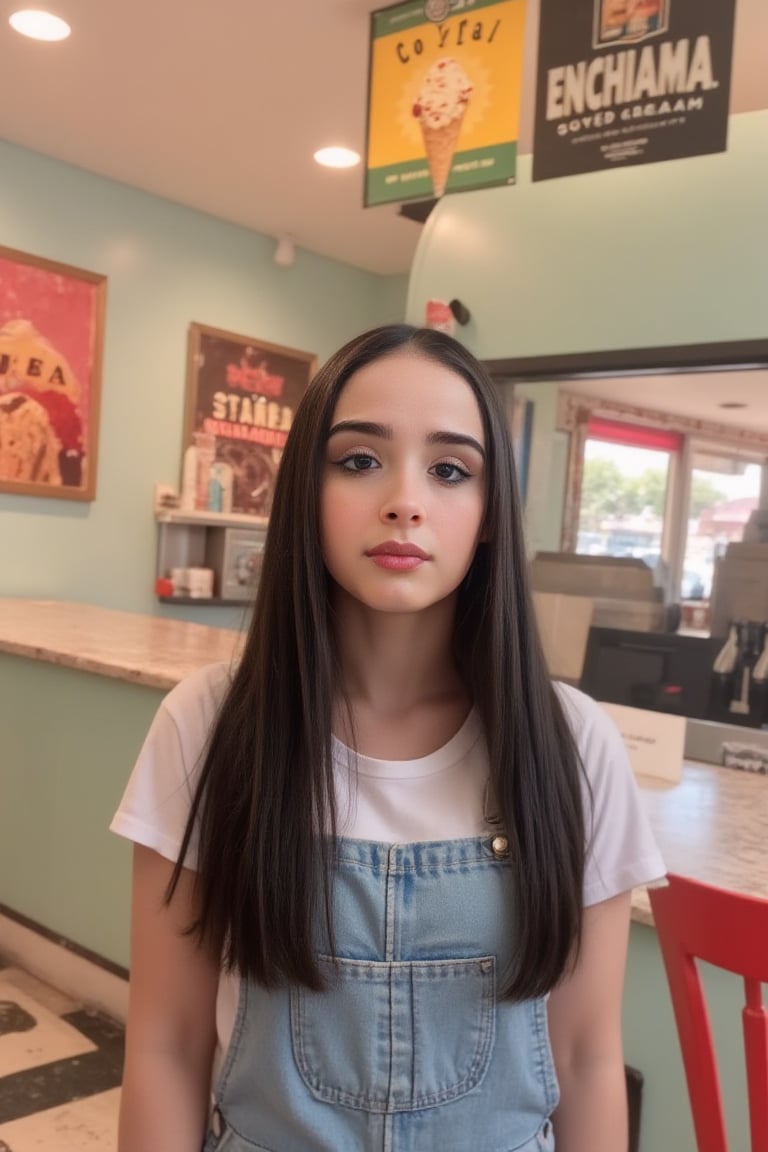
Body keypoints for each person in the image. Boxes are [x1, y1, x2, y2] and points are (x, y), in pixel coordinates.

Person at [111, 323, 665, 1152]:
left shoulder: (573, 744)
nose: (405, 498)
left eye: (450, 469)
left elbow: (585, 1059)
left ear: (487, 517)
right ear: (305, 491)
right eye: (360, 460)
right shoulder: (208, 724)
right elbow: (166, 1045)